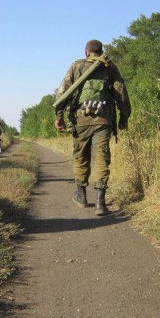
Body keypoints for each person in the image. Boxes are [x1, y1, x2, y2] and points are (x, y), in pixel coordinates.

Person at [54, 39, 131, 216]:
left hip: (80, 121)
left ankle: (81, 196)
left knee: (80, 156)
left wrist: (59, 117)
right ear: (100, 51)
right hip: (103, 120)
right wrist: (124, 117)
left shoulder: (76, 66)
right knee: (102, 158)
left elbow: (62, 92)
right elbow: (121, 93)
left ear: (86, 52)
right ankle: (100, 203)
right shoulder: (109, 67)